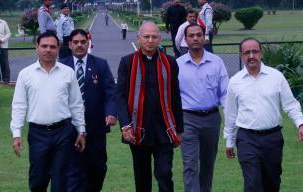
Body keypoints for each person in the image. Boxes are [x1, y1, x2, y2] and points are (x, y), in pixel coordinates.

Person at [224, 37, 303, 192]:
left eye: (255, 51)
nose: (251, 56)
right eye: (247, 52)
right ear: (241, 56)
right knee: (252, 184)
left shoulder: (276, 77)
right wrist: (229, 141)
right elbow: (230, 114)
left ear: (261, 53)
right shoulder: (234, 82)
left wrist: (300, 124)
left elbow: (290, 104)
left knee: (272, 183)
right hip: (246, 139)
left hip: (273, 139)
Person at [10, 31, 86, 192]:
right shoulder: (25, 74)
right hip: (38, 134)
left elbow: (76, 104)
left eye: (52, 46)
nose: (48, 50)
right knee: (38, 180)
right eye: (44, 46)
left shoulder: (67, 72)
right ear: (36, 47)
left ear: (58, 48)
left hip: (63, 133)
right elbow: (19, 105)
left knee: (60, 180)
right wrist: (16, 134)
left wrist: (81, 130)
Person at [116, 21, 184, 192]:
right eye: (146, 37)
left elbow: (176, 96)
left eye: (154, 37)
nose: (150, 40)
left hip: (164, 129)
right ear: (139, 39)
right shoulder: (127, 62)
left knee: (165, 175)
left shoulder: (170, 63)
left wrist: (180, 129)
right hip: (138, 130)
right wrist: (125, 125)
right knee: (142, 178)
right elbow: (120, 96)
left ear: (159, 39)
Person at [61, 29, 117, 192]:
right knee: (72, 170)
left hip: (95, 127)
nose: (79, 45)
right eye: (76, 42)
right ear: (70, 45)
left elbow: (110, 92)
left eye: (83, 42)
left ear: (88, 43)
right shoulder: (62, 66)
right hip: (68, 129)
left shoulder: (101, 64)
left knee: (98, 168)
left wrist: (111, 112)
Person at [177, 23, 228, 192]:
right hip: (187, 119)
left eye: (198, 34)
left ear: (204, 37)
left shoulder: (216, 62)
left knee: (208, 164)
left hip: (212, 119)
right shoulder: (177, 64)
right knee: (190, 165)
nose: (195, 38)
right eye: (191, 35)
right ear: (185, 39)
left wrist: (229, 120)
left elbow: (225, 93)